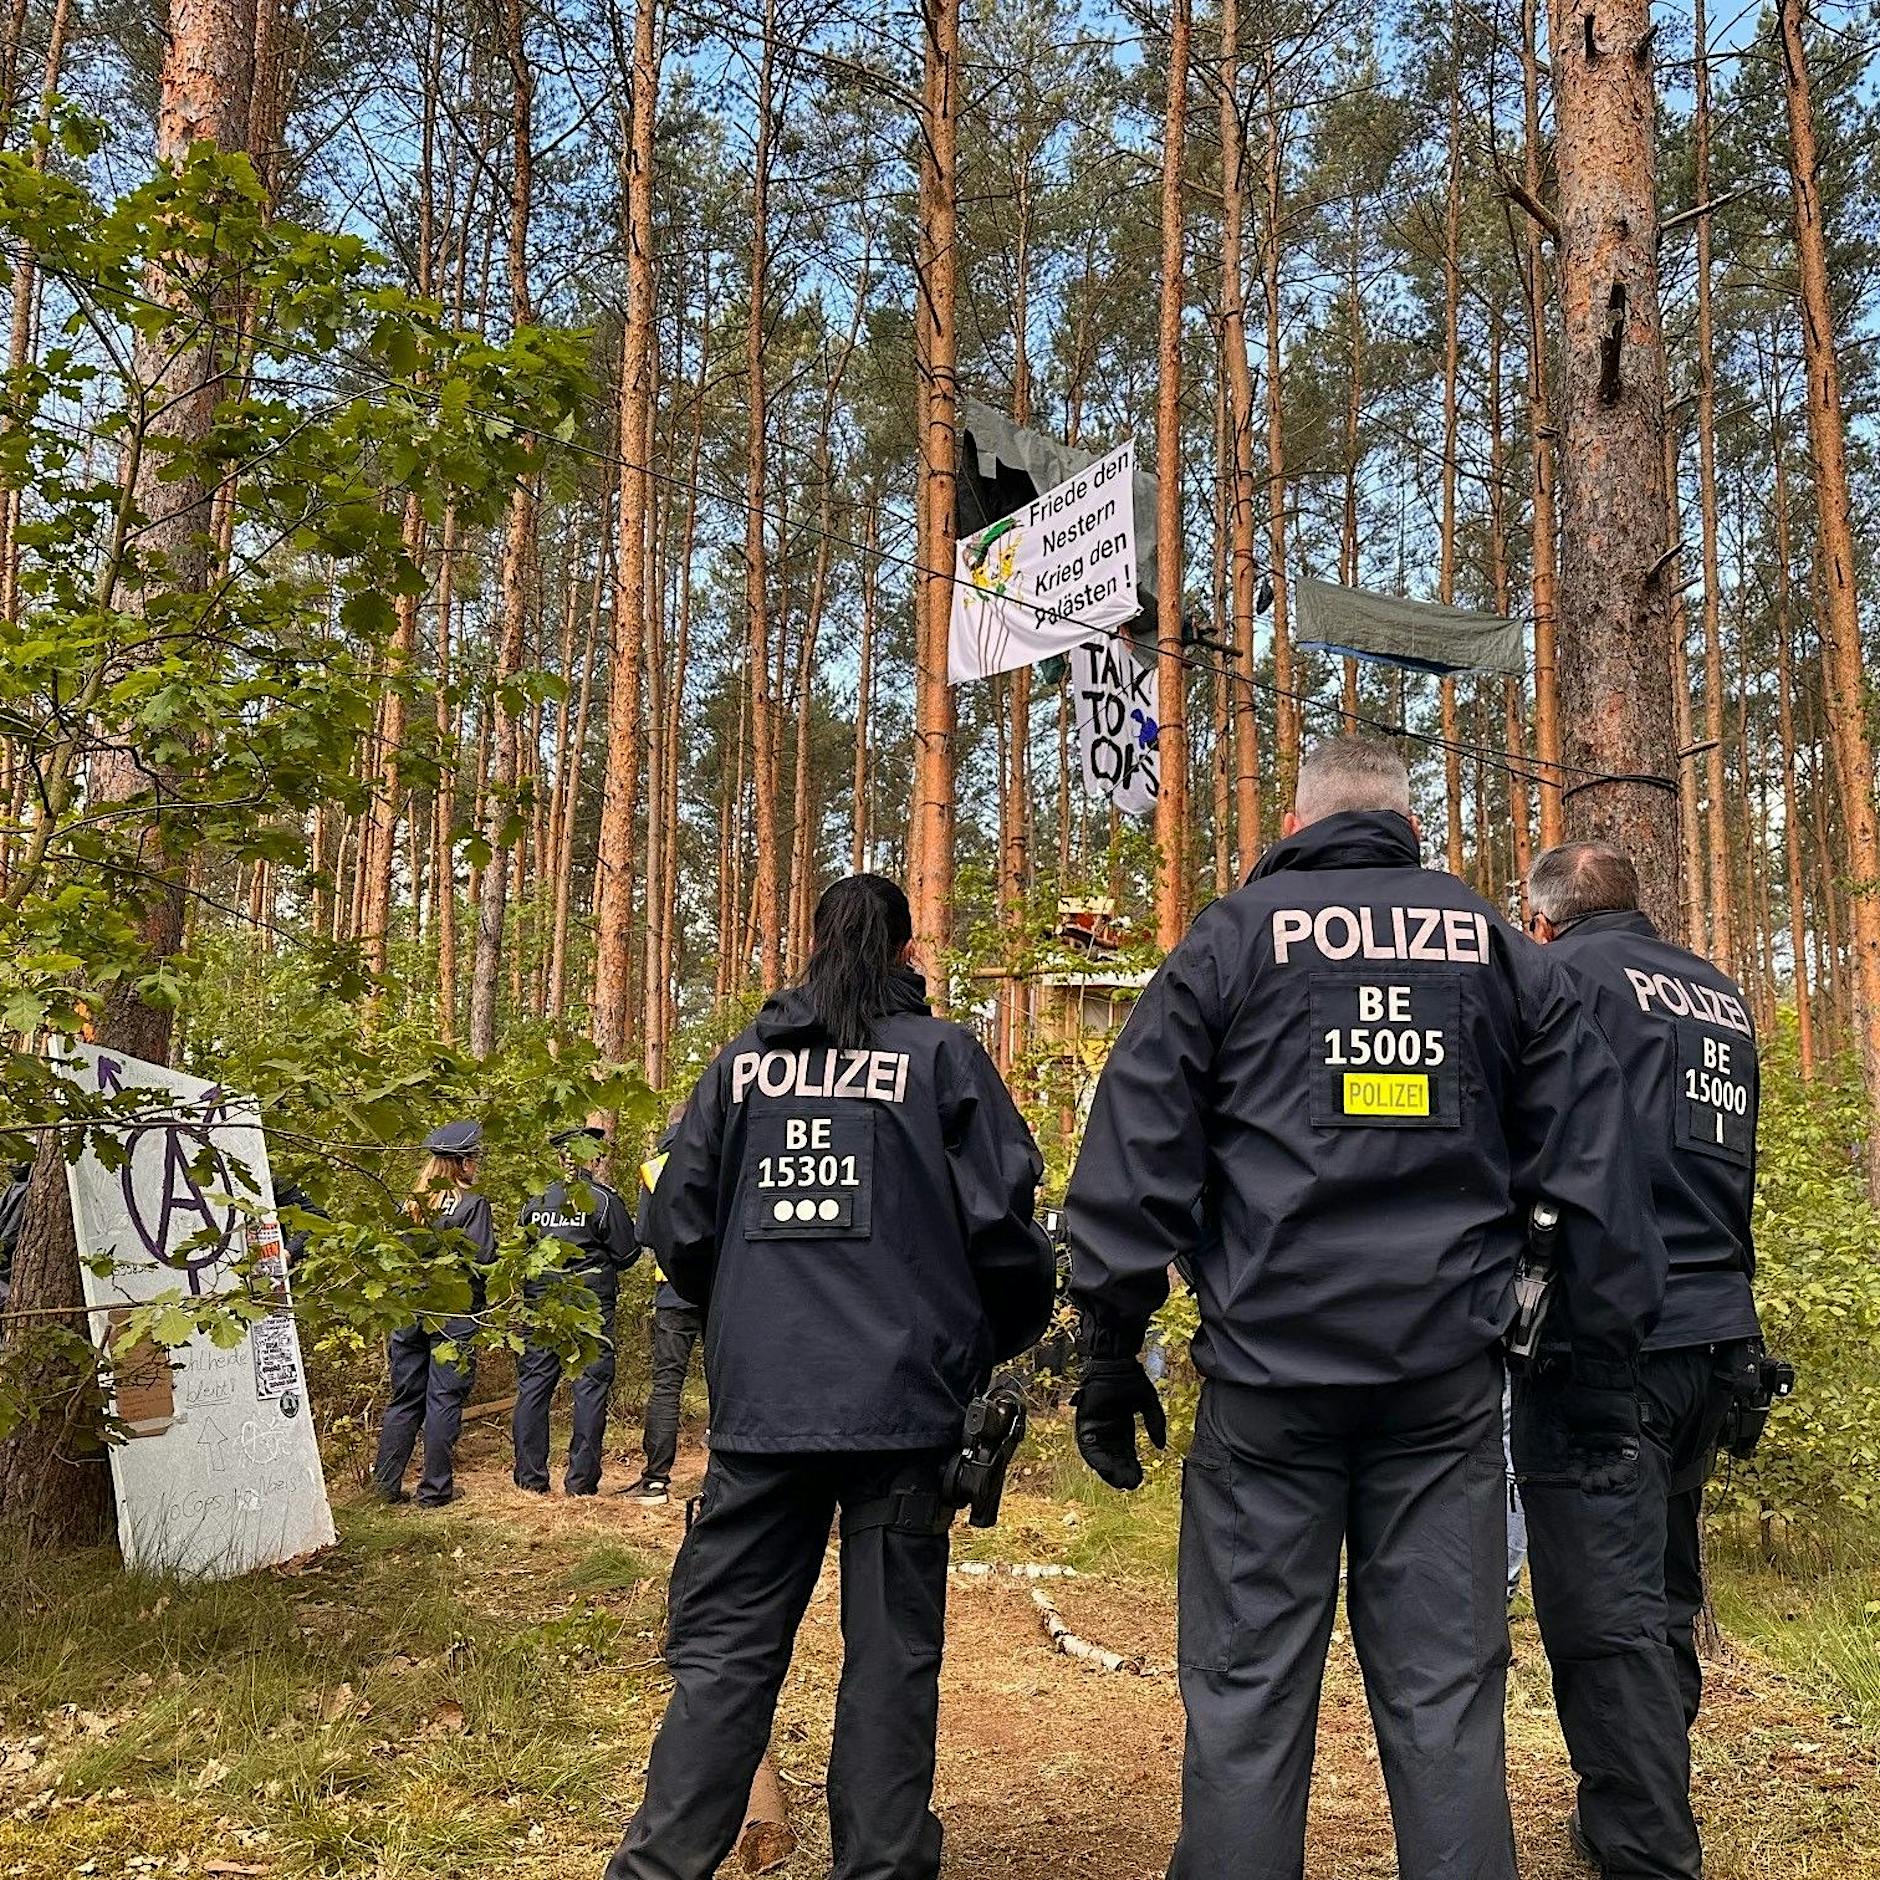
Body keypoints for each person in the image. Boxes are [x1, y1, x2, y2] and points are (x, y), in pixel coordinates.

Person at [1065, 736, 1665, 1880]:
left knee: (1244, 1698)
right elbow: (1596, 1159)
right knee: (1444, 1701)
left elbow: (1135, 1152)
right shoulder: (1493, 944)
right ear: (1407, 828)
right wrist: (1597, 1350)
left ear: (1294, 824)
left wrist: (1107, 1340)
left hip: (1264, 1388)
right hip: (1442, 1387)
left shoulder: (1230, 941)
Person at [608, 873, 1055, 1880]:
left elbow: (675, 1223)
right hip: (903, 1413)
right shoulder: (942, 1060)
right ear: (906, 955)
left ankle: (655, 1868)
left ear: (808, 947)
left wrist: (750, 1320)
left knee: (724, 1656)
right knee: (891, 1661)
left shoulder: (741, 1069)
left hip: (764, 1415)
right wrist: (982, 1340)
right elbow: (1009, 1228)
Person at [1522, 841, 1766, 1878]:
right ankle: (1627, 1808)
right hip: (1716, 1337)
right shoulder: (1717, 996)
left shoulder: (1557, 980)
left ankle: (1643, 1847)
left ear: (1540, 918)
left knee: (1598, 1608)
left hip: (1608, 1336)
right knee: (1659, 1592)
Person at [371, 1120, 495, 1508]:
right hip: (454, 1315)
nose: (477, 1166)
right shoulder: (473, 1206)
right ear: (460, 1164)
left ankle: (384, 1487)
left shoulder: (411, 1205)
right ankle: (435, 1490)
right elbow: (483, 1259)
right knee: (443, 1399)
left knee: (405, 1398)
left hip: (408, 1313)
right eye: (473, 1160)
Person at [512, 1126, 641, 1497]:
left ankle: (530, 1479)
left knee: (535, 1385)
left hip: (541, 1304)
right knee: (590, 1387)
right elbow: (627, 1253)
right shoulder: (602, 1200)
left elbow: (522, 1252)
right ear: (592, 1158)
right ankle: (580, 1482)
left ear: (559, 1158)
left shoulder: (534, 1202)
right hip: (589, 1307)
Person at [624, 1103, 703, 1506]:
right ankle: (721, 1481)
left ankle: (655, 1480)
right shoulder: (719, 1158)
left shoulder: (653, 1170)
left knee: (668, 1382)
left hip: (673, 1288)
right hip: (718, 1288)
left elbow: (644, 1234)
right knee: (724, 1383)